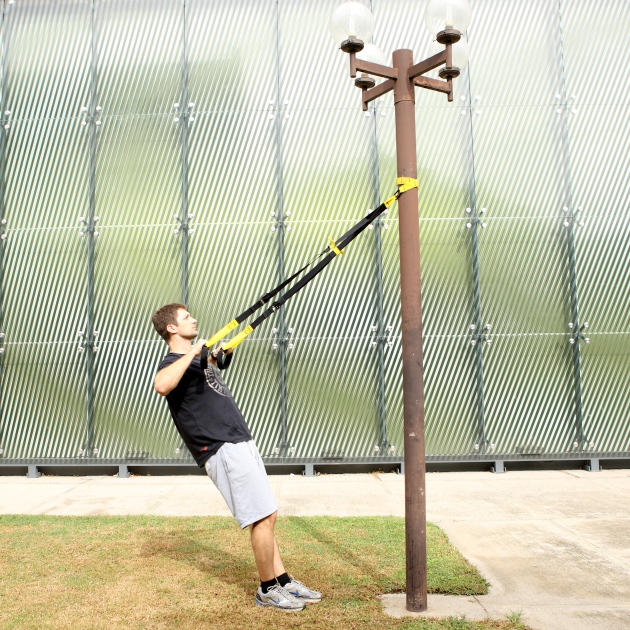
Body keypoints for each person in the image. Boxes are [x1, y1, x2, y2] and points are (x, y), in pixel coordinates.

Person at [151, 303, 321, 611]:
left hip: (238, 439)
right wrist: (195, 352)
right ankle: (267, 589)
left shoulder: (196, 359)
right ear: (172, 328)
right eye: (187, 317)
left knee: (267, 512)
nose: (194, 318)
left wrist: (216, 356)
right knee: (262, 516)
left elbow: (214, 365)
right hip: (220, 447)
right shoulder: (173, 360)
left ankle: (282, 580)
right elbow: (161, 385)